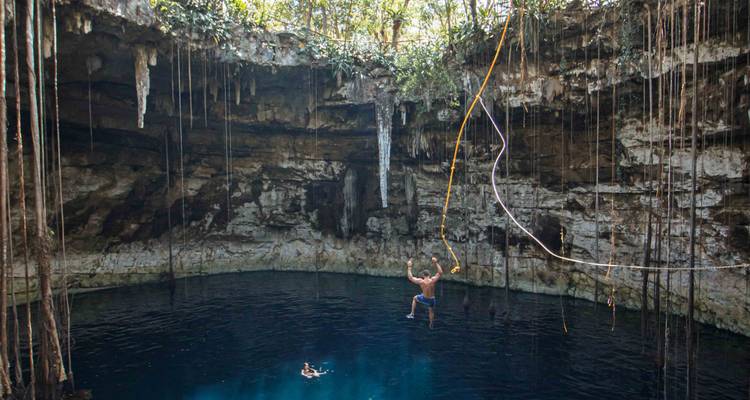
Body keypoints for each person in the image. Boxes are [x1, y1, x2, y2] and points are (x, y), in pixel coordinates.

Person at [405, 256, 442, 326]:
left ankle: (412, 314)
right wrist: (436, 262)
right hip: (432, 299)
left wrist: (409, 267)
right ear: (429, 275)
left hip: (424, 298)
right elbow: (440, 273)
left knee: (415, 298)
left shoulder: (421, 281)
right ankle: (431, 324)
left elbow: (410, 277)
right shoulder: (433, 280)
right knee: (431, 311)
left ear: (423, 275)